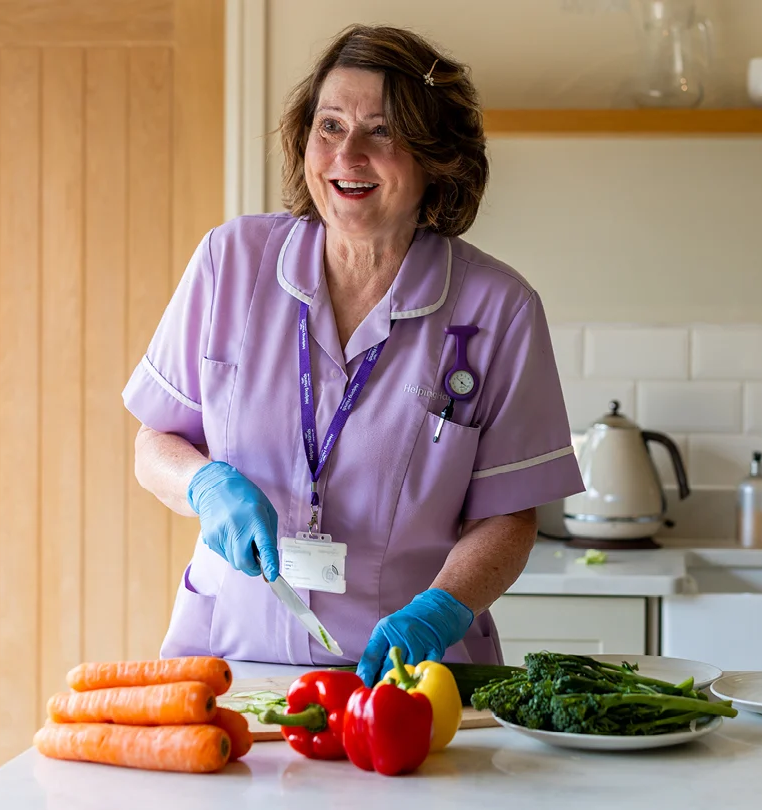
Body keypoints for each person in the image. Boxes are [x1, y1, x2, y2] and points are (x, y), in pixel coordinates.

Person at [123, 24, 583, 685]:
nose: (349, 155)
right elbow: (153, 445)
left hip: (412, 677)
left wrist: (442, 608)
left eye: (382, 131)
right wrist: (204, 484)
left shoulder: (497, 307)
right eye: (331, 125)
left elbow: (510, 515)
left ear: (435, 156)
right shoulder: (230, 263)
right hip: (234, 659)